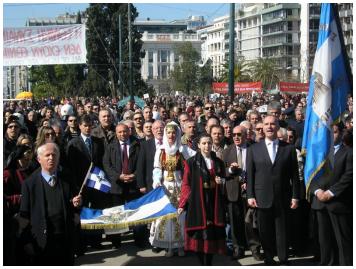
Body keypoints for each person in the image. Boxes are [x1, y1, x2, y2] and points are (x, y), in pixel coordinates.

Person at [247, 115, 300, 265]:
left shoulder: (288, 149)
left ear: (277, 126)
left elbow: (294, 176)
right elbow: (250, 174)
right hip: (261, 197)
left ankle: (283, 258)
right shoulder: (254, 149)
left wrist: (295, 196)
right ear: (262, 127)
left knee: (282, 230)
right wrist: (250, 195)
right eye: (266, 124)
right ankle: (269, 258)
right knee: (265, 231)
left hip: (283, 196)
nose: (269, 127)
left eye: (272, 124)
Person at [19, 143, 82, 265]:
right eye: (47, 155)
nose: (51, 158)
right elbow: (24, 216)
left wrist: (77, 204)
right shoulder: (29, 184)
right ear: (39, 159)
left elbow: (75, 205)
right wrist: (26, 242)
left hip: (65, 239)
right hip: (42, 241)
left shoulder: (67, 178)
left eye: (54, 155)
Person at [178, 134, 226, 265]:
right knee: (200, 236)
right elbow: (186, 184)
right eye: (204, 143)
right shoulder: (191, 162)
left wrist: (221, 181)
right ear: (198, 145)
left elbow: (224, 179)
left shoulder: (218, 162)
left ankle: (208, 264)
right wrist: (183, 203)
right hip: (198, 203)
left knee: (211, 236)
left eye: (209, 143)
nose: (207, 146)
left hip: (214, 203)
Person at [150, 121, 195, 257]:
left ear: (177, 133)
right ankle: (169, 247)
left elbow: (196, 159)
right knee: (165, 216)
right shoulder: (161, 150)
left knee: (179, 215)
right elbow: (157, 168)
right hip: (165, 187)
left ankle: (180, 245)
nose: (171, 135)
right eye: (168, 132)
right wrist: (157, 180)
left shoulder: (183, 149)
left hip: (179, 186)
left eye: (173, 132)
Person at [309, 123, 353, 265]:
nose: (331, 135)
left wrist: (331, 192)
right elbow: (310, 174)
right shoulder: (317, 154)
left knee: (342, 241)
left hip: (339, 203)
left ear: (340, 133)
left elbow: (349, 175)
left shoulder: (349, 152)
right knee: (324, 242)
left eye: (334, 132)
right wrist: (317, 191)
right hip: (320, 203)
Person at [103, 123, 145, 248]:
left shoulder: (137, 144)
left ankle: (140, 240)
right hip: (117, 186)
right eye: (120, 132)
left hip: (134, 185)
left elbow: (141, 163)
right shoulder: (111, 146)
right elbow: (106, 164)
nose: (123, 134)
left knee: (137, 214)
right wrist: (118, 176)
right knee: (116, 215)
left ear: (129, 131)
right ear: (116, 133)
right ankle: (116, 242)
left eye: (125, 131)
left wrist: (135, 175)